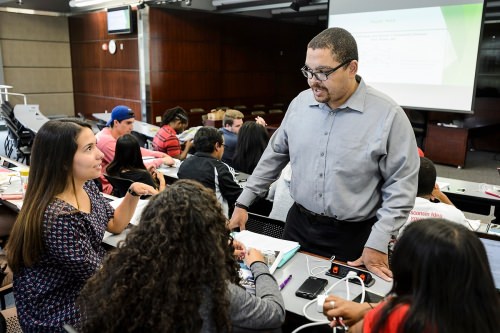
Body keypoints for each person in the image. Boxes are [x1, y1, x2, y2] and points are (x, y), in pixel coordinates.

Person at [230, 27, 419, 281]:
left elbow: (402, 186)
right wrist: (244, 201)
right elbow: (274, 155)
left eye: (323, 72)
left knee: (341, 309)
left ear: (352, 68)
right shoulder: (300, 104)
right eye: (308, 71)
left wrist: (379, 239)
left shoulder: (388, 115)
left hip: (354, 236)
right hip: (298, 225)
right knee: (282, 292)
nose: (312, 81)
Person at [5, 119, 158, 332]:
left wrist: (132, 193)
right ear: (63, 161)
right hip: (57, 310)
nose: (100, 155)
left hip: (80, 287)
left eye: (95, 145)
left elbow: (115, 224)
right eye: (88, 149)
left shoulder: (87, 187)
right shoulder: (60, 218)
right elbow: (104, 277)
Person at [78, 179, 285, 332]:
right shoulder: (212, 289)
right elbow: (274, 314)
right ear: (206, 234)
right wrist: (259, 264)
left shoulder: (126, 269)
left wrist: (218, 251)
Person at [322, 219, 500, 333]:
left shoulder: (402, 317)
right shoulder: (485, 311)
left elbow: (356, 330)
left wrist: (372, 314)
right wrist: (365, 308)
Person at [95, 105, 174, 194]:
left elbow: (135, 149)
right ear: (116, 122)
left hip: (121, 186)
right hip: (114, 189)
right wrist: (161, 161)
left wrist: (158, 154)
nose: (132, 127)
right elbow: (132, 167)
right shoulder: (107, 142)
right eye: (128, 123)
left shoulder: (108, 133)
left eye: (132, 123)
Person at [399, 157, 479, 236]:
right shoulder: (453, 214)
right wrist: (441, 196)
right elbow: (467, 229)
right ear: (434, 187)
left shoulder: (391, 212)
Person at [177, 127, 242, 217]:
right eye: (223, 146)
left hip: (188, 219)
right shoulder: (220, 168)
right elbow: (238, 196)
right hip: (214, 223)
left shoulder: (184, 164)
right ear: (217, 146)